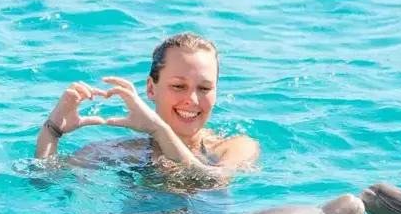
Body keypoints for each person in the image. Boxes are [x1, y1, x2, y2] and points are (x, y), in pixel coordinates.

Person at [35, 32, 259, 184]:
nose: (192, 99)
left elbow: (213, 180)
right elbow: (46, 181)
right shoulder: (124, 153)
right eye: (178, 86)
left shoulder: (234, 147)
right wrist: (52, 131)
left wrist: (159, 129)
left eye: (204, 88)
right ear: (151, 89)